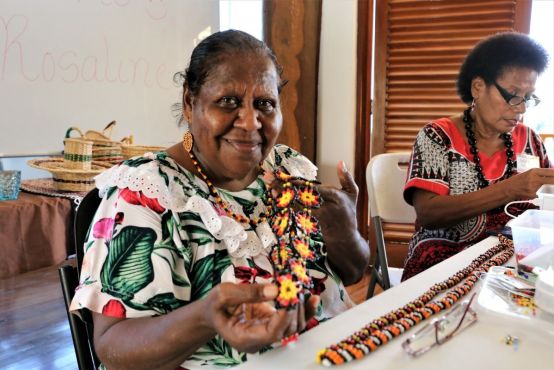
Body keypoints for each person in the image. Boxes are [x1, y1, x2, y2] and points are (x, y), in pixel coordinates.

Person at [70, 30, 369, 370]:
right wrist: (206, 317)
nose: (250, 121)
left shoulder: (289, 169)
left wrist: (345, 231)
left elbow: (353, 272)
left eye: (264, 103)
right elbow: (111, 346)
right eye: (228, 101)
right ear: (189, 102)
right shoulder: (147, 192)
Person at [402, 32, 554, 281]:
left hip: (513, 261)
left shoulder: (530, 140)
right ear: (478, 87)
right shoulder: (437, 136)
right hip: (444, 259)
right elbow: (428, 214)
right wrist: (509, 189)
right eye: (513, 95)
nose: (522, 108)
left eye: (528, 98)